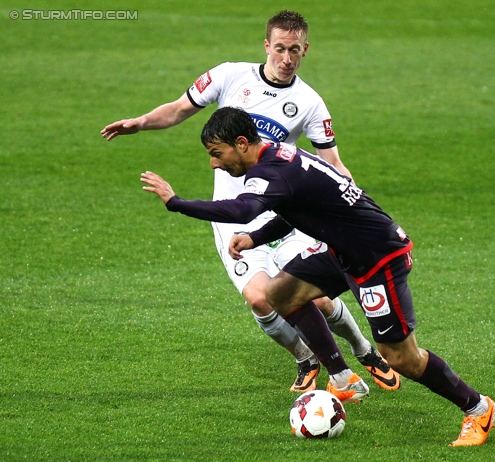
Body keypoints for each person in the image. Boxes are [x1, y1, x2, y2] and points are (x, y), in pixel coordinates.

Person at [140, 106, 495, 446]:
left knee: (402, 359)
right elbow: (299, 209)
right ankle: (343, 378)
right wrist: (255, 238)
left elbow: (242, 208)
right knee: (279, 294)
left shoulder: (271, 172)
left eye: (217, 153)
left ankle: (478, 409)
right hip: (342, 250)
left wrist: (176, 202)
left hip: (377, 258)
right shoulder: (278, 156)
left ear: (242, 144)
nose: (213, 163)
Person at [101, 10, 399, 394]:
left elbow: (333, 165)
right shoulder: (229, 76)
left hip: (283, 214)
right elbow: (178, 109)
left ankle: (363, 351)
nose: (287, 58)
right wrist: (139, 122)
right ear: (266, 46)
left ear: (305, 49)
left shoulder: (309, 102)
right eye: (280, 49)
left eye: (294, 50)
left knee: (319, 301)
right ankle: (306, 357)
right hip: (233, 218)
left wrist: (354, 209)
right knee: (261, 299)